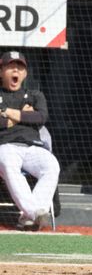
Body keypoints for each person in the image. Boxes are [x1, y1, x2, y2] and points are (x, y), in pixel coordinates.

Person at [0, 51, 59, 231]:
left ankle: (29, 216)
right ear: (1, 71)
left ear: (25, 73)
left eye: (20, 67)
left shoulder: (35, 95)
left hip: (33, 146)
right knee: (9, 163)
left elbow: (41, 117)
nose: (15, 70)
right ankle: (35, 213)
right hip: (5, 146)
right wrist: (24, 115)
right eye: (11, 66)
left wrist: (7, 112)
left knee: (51, 166)